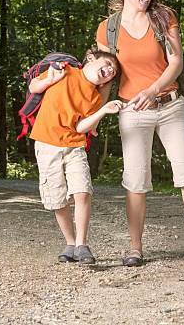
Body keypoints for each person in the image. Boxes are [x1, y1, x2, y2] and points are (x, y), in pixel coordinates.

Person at [95, 0, 184, 266]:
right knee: (135, 180)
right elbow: (105, 77)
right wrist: (96, 114)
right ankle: (135, 248)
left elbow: (175, 63)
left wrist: (152, 91)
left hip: (169, 106)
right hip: (132, 112)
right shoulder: (107, 29)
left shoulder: (163, 17)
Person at [30, 47, 122, 264]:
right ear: (91, 58)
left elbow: (81, 127)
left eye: (113, 71)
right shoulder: (65, 70)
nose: (109, 70)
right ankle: (70, 243)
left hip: (74, 145)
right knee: (57, 199)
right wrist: (51, 78)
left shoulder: (94, 96)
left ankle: (81, 244)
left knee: (82, 191)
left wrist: (102, 110)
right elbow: (34, 87)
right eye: (108, 64)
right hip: (46, 143)